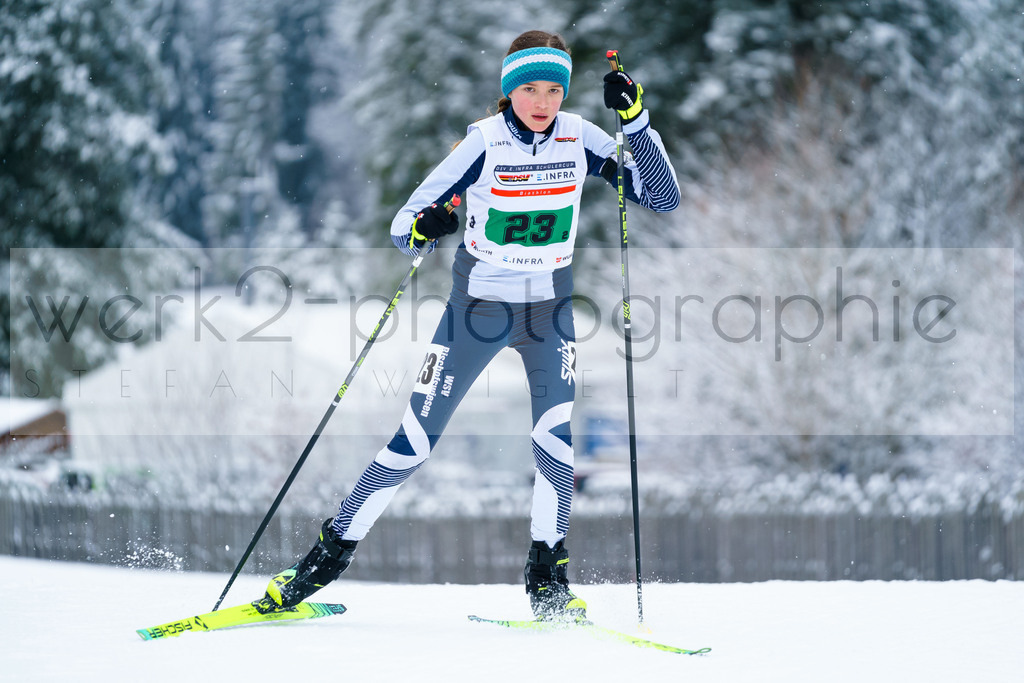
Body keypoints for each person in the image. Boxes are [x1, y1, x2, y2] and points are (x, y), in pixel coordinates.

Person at [258, 30, 679, 620]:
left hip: (548, 313)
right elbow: (405, 223)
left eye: (554, 90)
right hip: (475, 312)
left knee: (555, 443)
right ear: (509, 92)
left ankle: (548, 580)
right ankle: (321, 564)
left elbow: (660, 197)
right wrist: (425, 227)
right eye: (530, 89)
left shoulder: (580, 136)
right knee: (413, 443)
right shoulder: (483, 143)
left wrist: (635, 122)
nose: (543, 102)